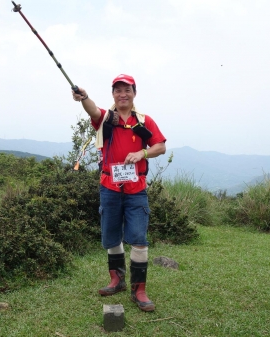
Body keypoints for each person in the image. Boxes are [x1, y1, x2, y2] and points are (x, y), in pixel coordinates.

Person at [72, 74, 167, 312]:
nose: (122, 94)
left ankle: (139, 290)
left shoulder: (145, 121)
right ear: (113, 94)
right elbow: (93, 110)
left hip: (137, 190)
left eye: (127, 90)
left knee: (139, 239)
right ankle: (117, 280)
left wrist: (141, 154)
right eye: (117, 90)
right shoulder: (106, 119)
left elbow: (160, 146)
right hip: (109, 188)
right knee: (111, 237)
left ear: (134, 93)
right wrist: (84, 97)